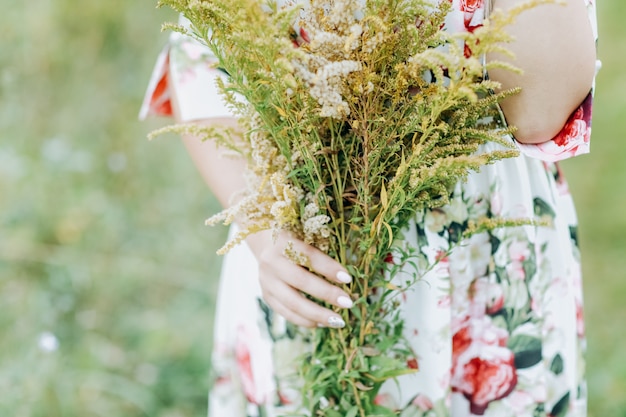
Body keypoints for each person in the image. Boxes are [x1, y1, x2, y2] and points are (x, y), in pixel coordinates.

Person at [140, 0, 600, 415]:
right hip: (303, 243)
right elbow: (200, 59)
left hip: (478, 258)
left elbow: (539, 113)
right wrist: (265, 229)